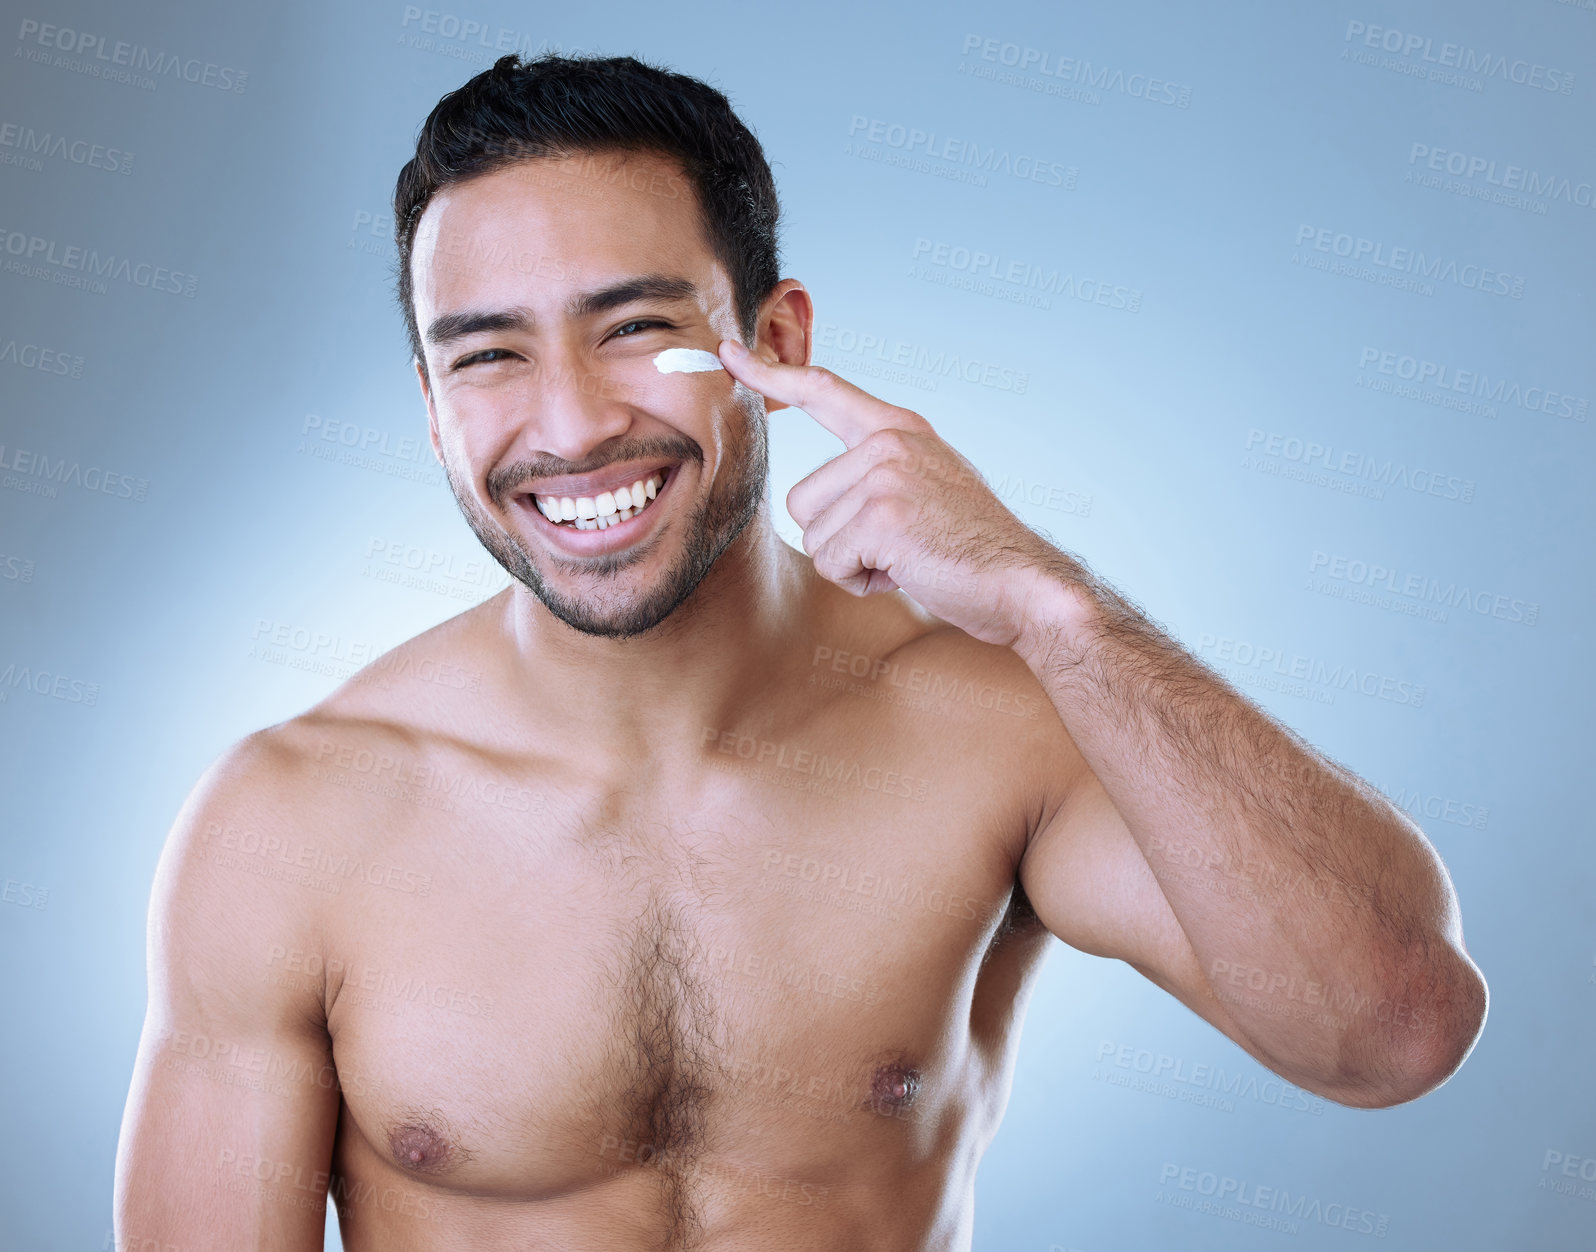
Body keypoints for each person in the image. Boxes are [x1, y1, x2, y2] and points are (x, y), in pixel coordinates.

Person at [113, 52, 1487, 1251]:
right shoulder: (291, 824)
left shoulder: (992, 726)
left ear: (774, 341)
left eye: (638, 327)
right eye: (487, 356)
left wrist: (1046, 599)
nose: (573, 424)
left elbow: (1392, 1031)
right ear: (430, 405)